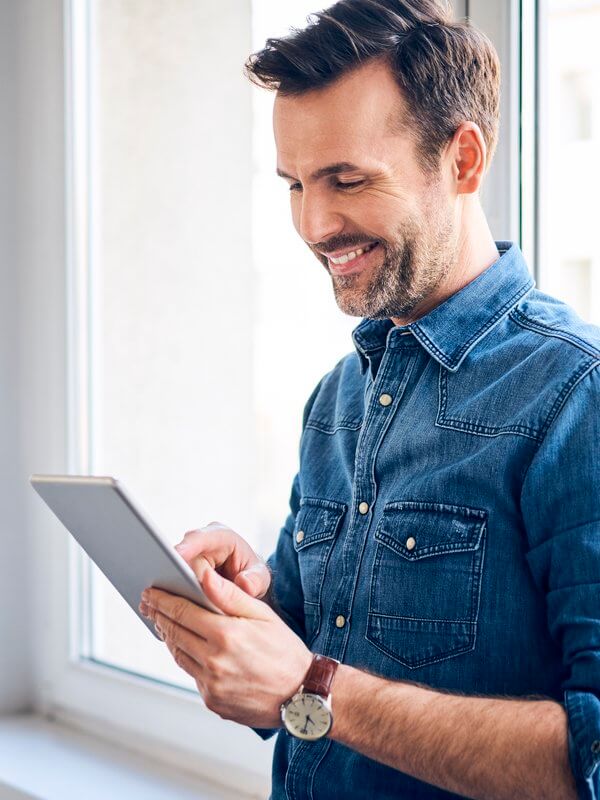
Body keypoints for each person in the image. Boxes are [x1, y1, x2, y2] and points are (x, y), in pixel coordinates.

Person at [139, 1, 600, 797]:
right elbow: (310, 673)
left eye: (347, 180)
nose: (315, 224)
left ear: (462, 161)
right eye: (294, 185)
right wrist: (258, 608)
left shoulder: (575, 396)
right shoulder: (338, 399)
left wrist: (309, 688)